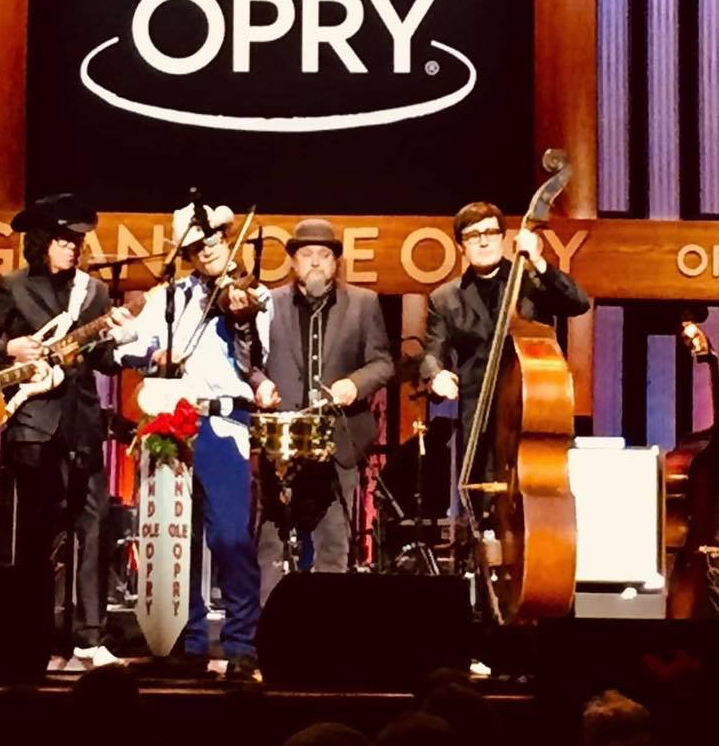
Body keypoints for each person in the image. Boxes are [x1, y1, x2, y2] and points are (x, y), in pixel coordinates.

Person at [116, 200, 271, 679]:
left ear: (228, 242)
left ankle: (243, 643)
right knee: (176, 538)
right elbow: (127, 349)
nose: (209, 252)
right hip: (172, 424)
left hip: (223, 425)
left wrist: (241, 317)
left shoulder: (252, 293)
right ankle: (189, 640)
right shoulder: (170, 298)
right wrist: (151, 353)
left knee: (229, 536)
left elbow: (255, 354)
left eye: (216, 242)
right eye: (198, 246)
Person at [0, 194, 124, 666]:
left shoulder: (93, 293)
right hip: (34, 425)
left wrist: (124, 345)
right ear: (41, 243)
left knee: (94, 525)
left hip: (82, 424)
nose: (72, 248)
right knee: (35, 534)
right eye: (62, 240)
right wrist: (10, 347)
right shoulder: (13, 287)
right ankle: (31, 634)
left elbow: (100, 360)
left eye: (76, 241)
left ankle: (89, 637)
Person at [252, 219, 393, 601]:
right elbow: (247, 359)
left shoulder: (364, 303)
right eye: (307, 255)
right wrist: (259, 383)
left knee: (334, 542)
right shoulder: (268, 303)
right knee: (273, 540)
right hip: (283, 440)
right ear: (294, 262)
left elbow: (383, 363)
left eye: (324, 255)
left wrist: (355, 384)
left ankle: (326, 640)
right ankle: (271, 636)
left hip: (341, 439)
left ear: (335, 263)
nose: (316, 263)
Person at [420, 200, 590, 442]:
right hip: (477, 418)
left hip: (531, 409)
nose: (483, 241)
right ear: (460, 246)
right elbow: (433, 351)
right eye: (473, 235)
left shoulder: (530, 282)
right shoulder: (445, 298)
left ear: (503, 237)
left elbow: (578, 303)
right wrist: (436, 375)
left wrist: (539, 261)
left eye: (491, 232)